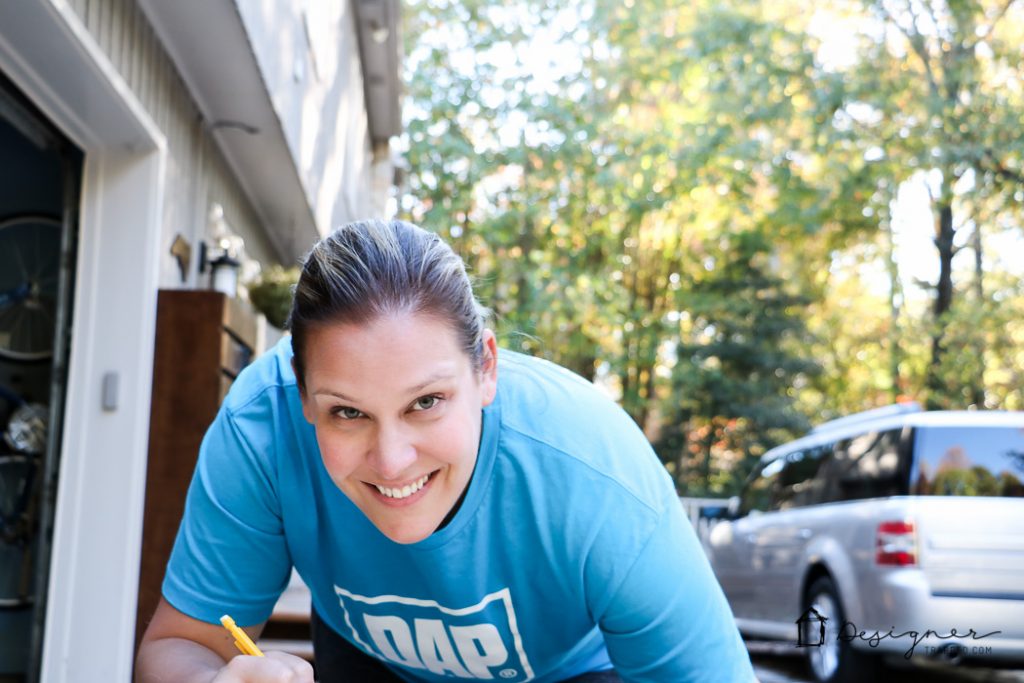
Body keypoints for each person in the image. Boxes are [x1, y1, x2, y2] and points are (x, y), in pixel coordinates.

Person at [136, 219, 756, 683]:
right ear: (299, 393)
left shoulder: (596, 475)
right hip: (368, 657)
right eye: (347, 412)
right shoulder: (259, 428)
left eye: (425, 402)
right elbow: (176, 647)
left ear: (485, 367)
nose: (392, 460)